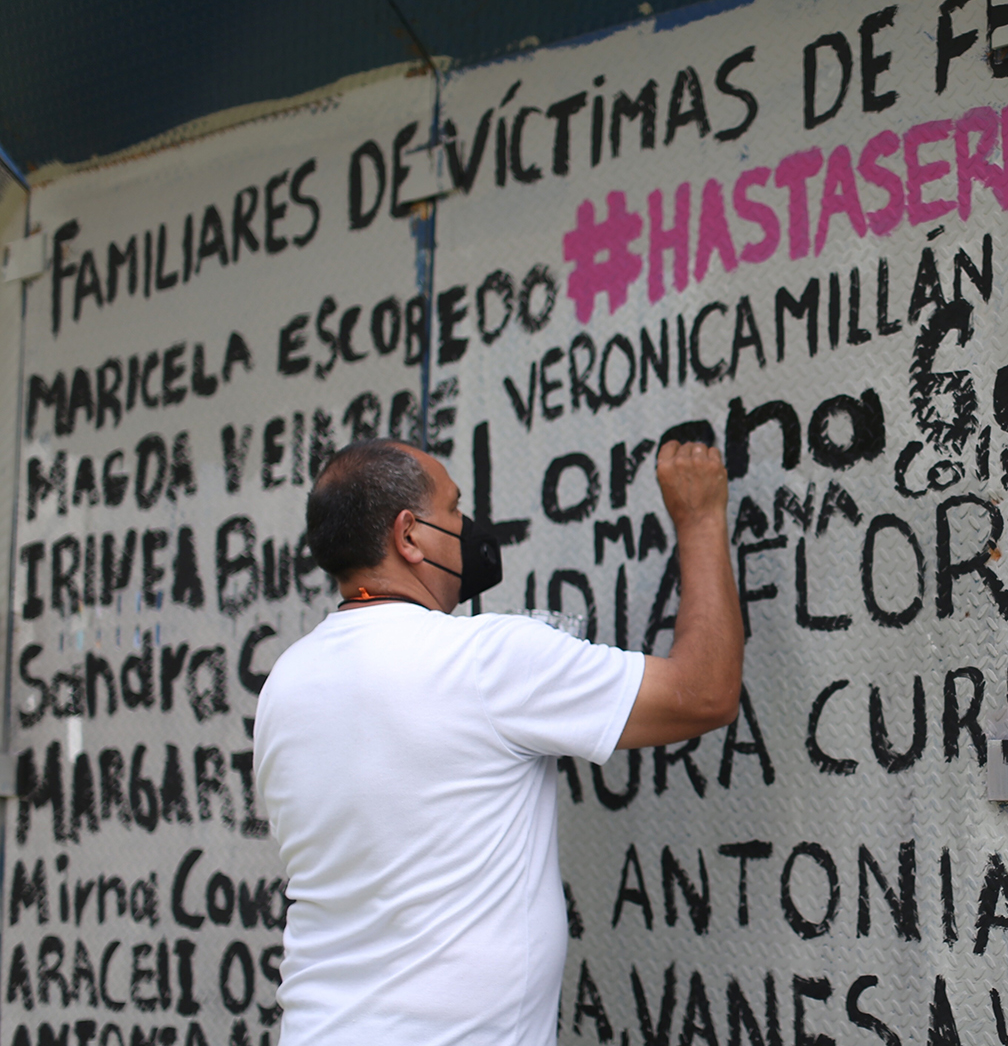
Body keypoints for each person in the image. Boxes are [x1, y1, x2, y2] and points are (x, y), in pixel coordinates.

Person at [254, 437, 742, 1045]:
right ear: (409, 536)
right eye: (454, 510)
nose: (469, 528)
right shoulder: (486, 659)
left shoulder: (286, 683)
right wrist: (699, 519)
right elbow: (704, 692)